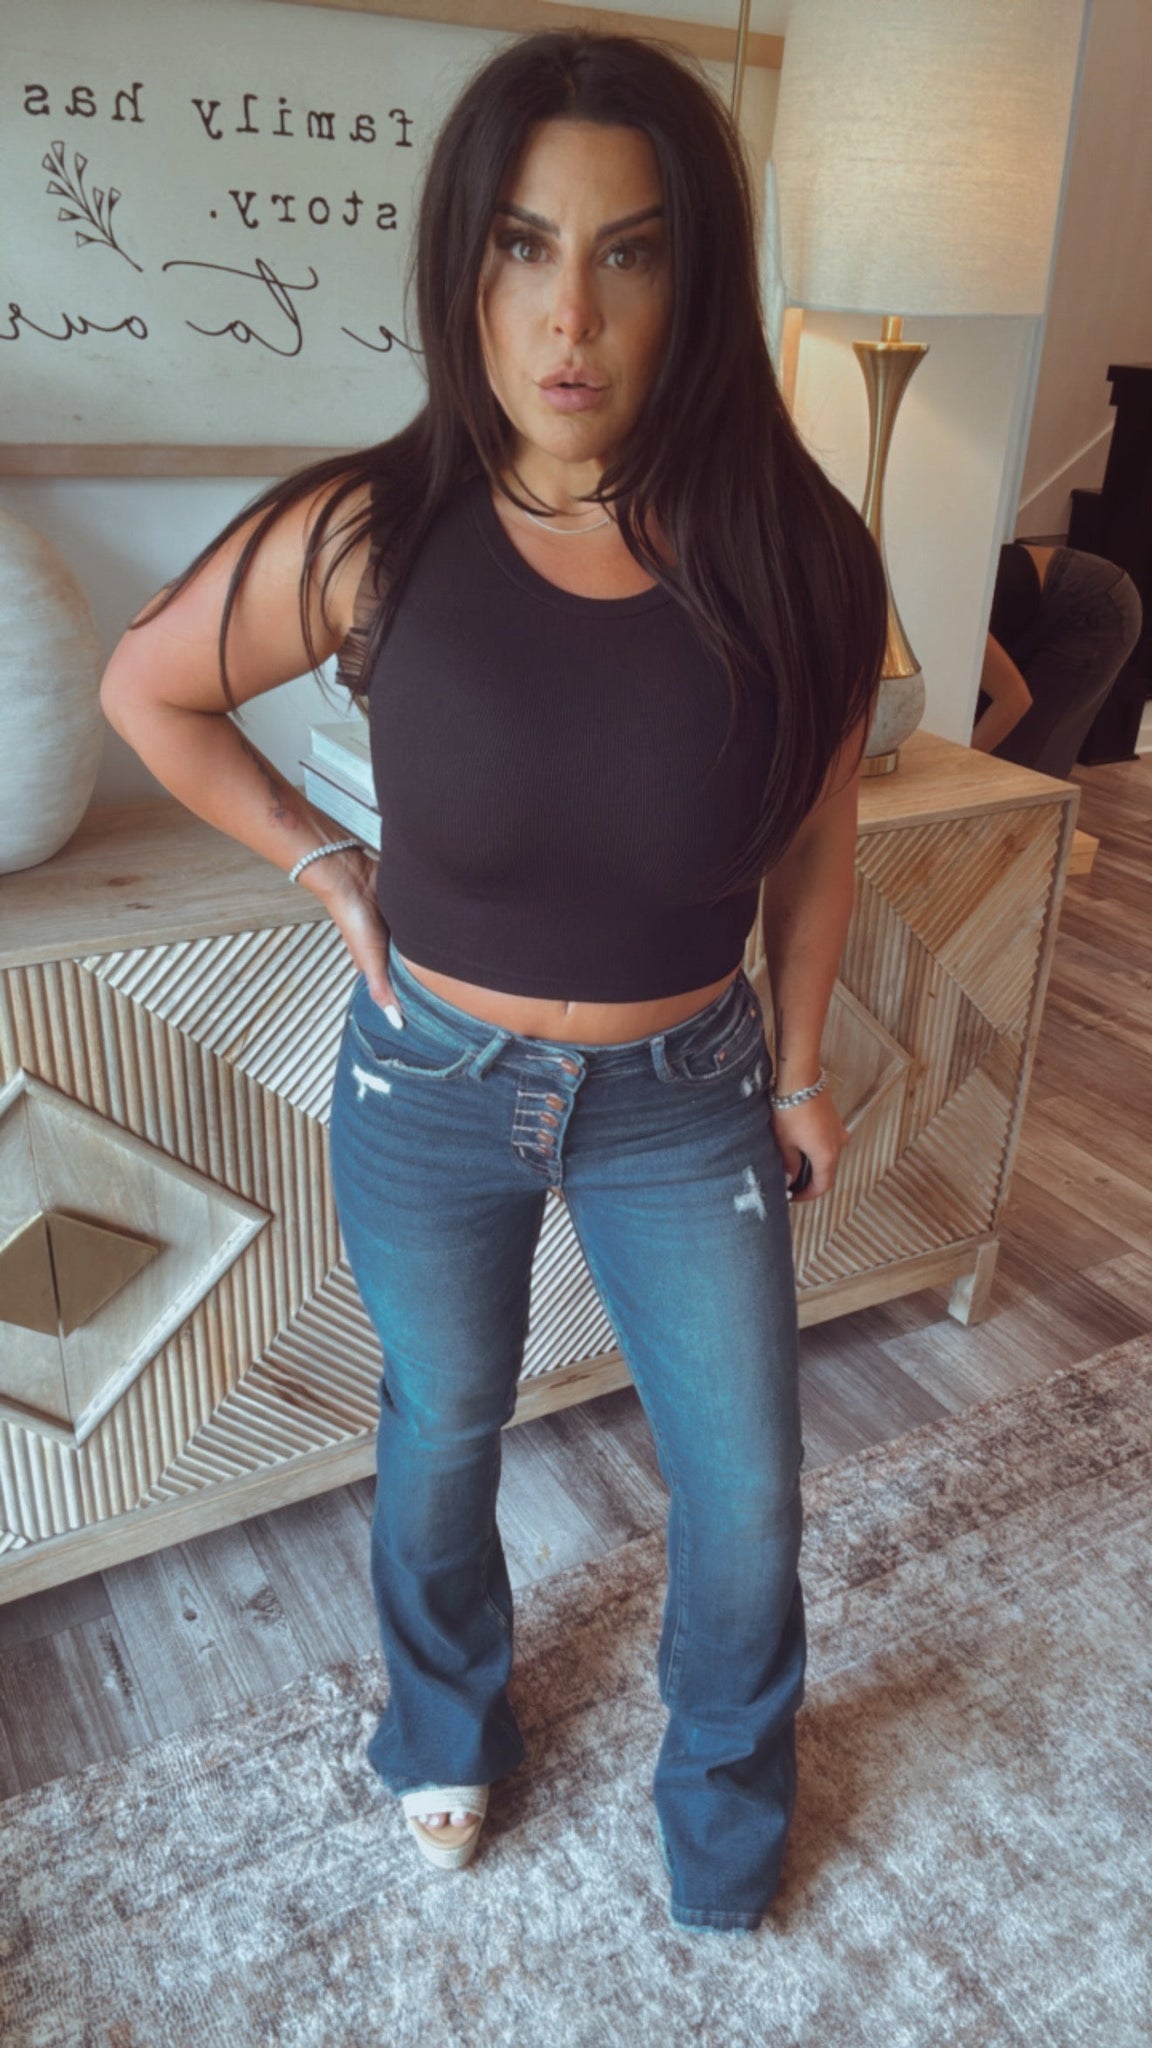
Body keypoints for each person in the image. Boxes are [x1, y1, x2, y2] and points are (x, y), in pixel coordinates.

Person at [99, 30, 886, 1936]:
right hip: (429, 1082)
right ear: (465, 263)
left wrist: (796, 1066)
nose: (569, 316)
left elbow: (815, 837)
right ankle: (443, 1720)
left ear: (696, 276)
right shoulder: (375, 530)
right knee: (443, 1424)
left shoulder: (794, 552)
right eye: (524, 246)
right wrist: (322, 859)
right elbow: (149, 688)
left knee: (748, 1483)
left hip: (686, 1095)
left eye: (628, 252)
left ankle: (723, 1801)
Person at [970, 540, 1142, 776]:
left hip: (1096, 606)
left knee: (1018, 763)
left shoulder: (951, 617)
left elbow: (1013, 699)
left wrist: (956, 766)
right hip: (1041, 603)